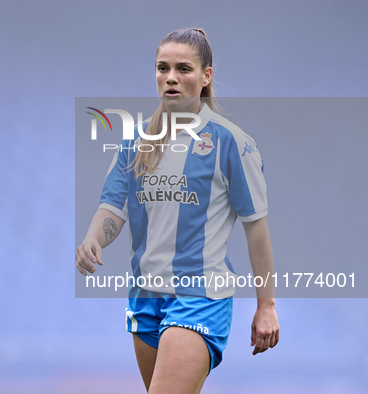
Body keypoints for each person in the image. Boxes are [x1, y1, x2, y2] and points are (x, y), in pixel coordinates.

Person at [76, 28, 280, 393]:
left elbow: (257, 230)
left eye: (184, 68)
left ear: (206, 76)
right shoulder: (135, 141)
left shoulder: (231, 142)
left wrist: (266, 306)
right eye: (162, 68)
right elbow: (113, 207)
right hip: (145, 297)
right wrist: (94, 237)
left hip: (200, 298)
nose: (171, 77)